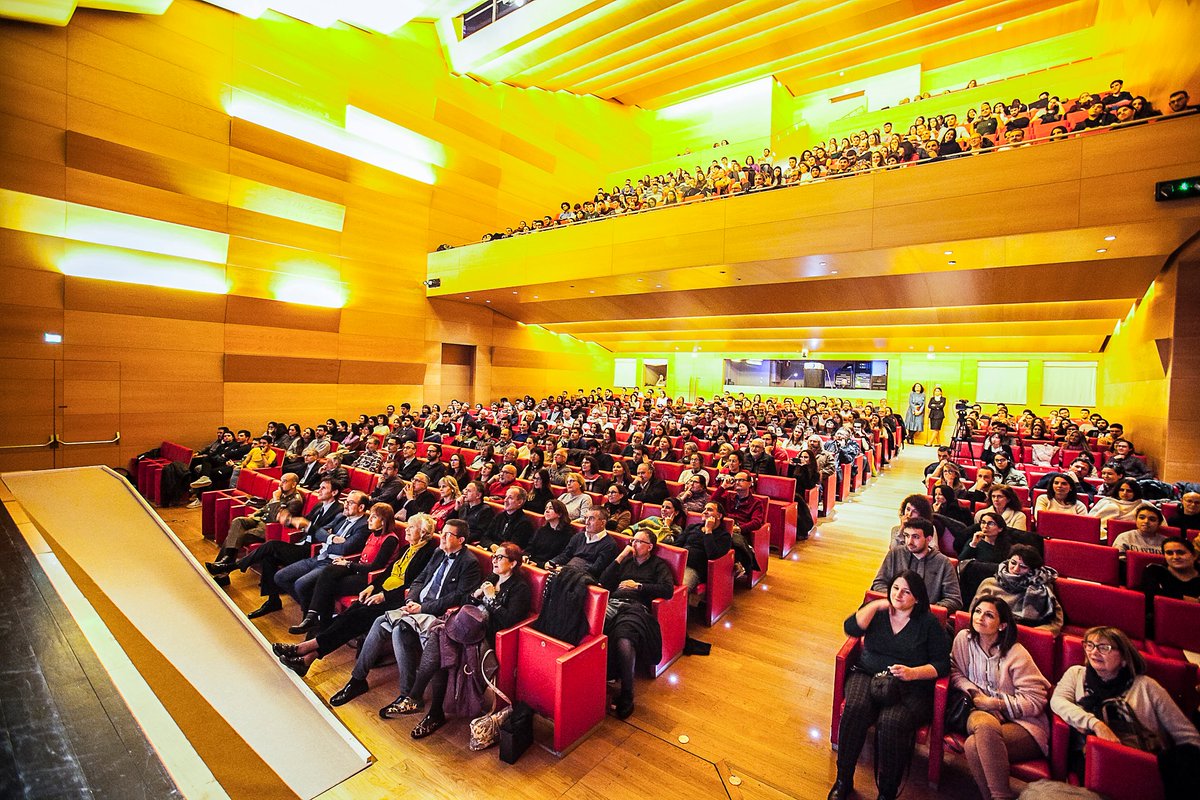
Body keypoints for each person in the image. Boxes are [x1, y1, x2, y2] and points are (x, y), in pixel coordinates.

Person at [327, 518, 482, 708]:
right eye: (443, 532)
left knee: (399, 629)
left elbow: (458, 598)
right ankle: (357, 680)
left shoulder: (469, 563)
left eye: (448, 534)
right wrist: (411, 600)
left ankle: (407, 694)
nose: (442, 537)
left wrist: (422, 608)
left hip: (436, 615)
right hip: (416, 606)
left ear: (461, 540)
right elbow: (419, 580)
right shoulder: (438, 553)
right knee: (379, 623)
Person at [389, 541, 533, 739]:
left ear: (514, 563)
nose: (495, 560)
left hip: (485, 636)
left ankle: (415, 697)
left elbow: (508, 621)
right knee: (442, 647)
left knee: (440, 635)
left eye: (500, 557)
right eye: (494, 556)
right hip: (465, 629)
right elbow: (468, 603)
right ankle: (433, 713)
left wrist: (490, 598)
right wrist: (476, 595)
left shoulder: (520, 588)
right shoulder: (491, 578)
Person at [829, 571, 950, 800]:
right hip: (868, 674)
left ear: (918, 598)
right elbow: (851, 629)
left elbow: (942, 664)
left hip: (910, 685)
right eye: (895, 588)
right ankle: (843, 779)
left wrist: (913, 673)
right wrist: (874, 606)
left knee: (892, 721)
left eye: (906, 592)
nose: (899, 595)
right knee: (855, 708)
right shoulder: (879, 611)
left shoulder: (928, 623)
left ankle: (887, 792)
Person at [274, 513, 438, 678]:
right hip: (381, 592)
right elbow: (388, 572)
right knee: (351, 614)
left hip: (398, 600)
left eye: (412, 527)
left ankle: (304, 650)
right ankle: (308, 657)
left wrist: (383, 596)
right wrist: (372, 586)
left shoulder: (428, 553)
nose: (407, 530)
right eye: (407, 526)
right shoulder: (407, 548)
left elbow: (414, 585)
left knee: (355, 617)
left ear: (423, 533)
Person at [1050, 626, 1200, 795]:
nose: (1093, 652)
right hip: (1093, 764)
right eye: (1089, 645)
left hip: (1141, 768)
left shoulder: (1147, 687)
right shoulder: (1077, 674)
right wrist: (1096, 724)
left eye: (1104, 647)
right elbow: (1057, 701)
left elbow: (1190, 738)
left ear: (1124, 658)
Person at [950, 596, 1052, 800]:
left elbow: (1037, 700)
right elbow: (955, 672)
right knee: (984, 724)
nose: (980, 618)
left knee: (972, 745)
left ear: (1002, 625)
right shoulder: (964, 639)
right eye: (977, 612)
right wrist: (977, 696)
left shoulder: (1016, 653)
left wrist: (997, 703)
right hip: (978, 711)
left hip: (1024, 725)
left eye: (989, 615)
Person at [289, 501, 401, 634]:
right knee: (329, 570)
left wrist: (348, 564)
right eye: (370, 516)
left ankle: (321, 624)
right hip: (359, 569)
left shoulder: (390, 540)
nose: (369, 519)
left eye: (374, 517)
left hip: (370, 578)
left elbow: (375, 567)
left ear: (383, 522)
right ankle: (313, 617)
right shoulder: (372, 534)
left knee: (328, 586)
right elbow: (362, 557)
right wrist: (345, 562)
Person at [599, 530, 675, 719]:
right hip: (613, 603)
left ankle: (627, 693)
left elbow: (667, 590)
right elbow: (604, 581)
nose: (634, 544)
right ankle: (595, 681)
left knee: (624, 639)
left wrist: (638, 586)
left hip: (636, 607)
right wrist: (621, 556)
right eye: (633, 540)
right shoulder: (626, 561)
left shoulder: (658, 565)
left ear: (650, 547)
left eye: (639, 542)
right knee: (590, 628)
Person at [205, 471, 305, 577]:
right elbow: (266, 507)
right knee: (238, 521)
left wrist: (276, 499)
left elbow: (279, 518)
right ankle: (225, 563)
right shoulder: (282, 493)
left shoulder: (295, 501)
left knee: (237, 535)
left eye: (284, 481)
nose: (280, 484)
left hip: (269, 528)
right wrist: (254, 514)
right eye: (280, 481)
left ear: (294, 484)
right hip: (259, 520)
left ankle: (223, 568)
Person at [873, 518, 962, 612]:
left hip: (924, 617)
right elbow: (879, 583)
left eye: (915, 537)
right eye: (907, 536)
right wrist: (896, 601)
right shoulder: (895, 553)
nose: (909, 542)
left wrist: (925, 610)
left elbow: (954, 599)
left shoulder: (943, 562)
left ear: (928, 539)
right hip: (893, 610)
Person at [976, 546, 1062, 634]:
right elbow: (974, 614)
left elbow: (1055, 622)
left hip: (1027, 635)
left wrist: (1032, 634)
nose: (1016, 569)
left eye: (1023, 566)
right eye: (1013, 563)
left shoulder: (1041, 588)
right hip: (991, 632)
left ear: (1032, 570)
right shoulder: (990, 583)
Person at [673, 501, 733, 607]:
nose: (704, 512)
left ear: (719, 516)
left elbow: (713, 555)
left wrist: (708, 530)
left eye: (709, 510)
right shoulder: (692, 527)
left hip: (693, 569)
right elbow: (676, 546)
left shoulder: (724, 536)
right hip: (677, 564)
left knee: (676, 592)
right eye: (704, 509)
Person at [548, 507, 619, 578]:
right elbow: (566, 555)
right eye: (586, 518)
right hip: (568, 571)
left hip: (584, 578)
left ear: (603, 523)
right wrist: (552, 562)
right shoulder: (579, 536)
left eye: (591, 519)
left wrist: (565, 570)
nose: (587, 522)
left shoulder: (609, 545)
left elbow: (596, 569)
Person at [1142, 537, 1200, 601]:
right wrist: (1186, 599)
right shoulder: (1154, 570)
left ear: (1194, 555)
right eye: (1169, 553)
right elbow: (1152, 594)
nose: (1175, 557)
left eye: (1181, 552)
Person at [479, 486, 534, 550]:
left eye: (510, 498)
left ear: (520, 502)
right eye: (506, 497)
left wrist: (497, 548)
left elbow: (513, 548)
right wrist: (491, 545)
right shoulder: (499, 516)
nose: (505, 500)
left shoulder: (524, 523)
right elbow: (485, 537)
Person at [524, 499, 574, 566]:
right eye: (546, 508)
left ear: (559, 514)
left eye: (551, 508)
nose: (546, 511)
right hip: (532, 563)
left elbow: (563, 556)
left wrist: (540, 565)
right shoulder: (541, 530)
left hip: (547, 566)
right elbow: (530, 546)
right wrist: (525, 555)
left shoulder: (568, 533)